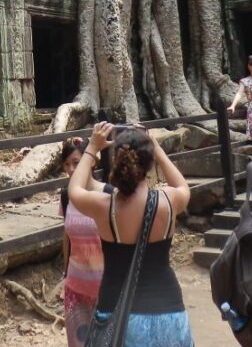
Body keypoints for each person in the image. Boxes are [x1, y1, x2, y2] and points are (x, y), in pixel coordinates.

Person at [68, 122, 194, 347]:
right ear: (150, 162)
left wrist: (92, 149)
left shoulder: (105, 206)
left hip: (116, 313)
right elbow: (183, 186)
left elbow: (75, 189)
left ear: (117, 161)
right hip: (169, 312)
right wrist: (157, 148)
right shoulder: (169, 201)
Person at [59, 137, 112, 347]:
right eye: (67, 164)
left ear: (91, 160)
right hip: (75, 288)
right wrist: (65, 274)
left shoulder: (108, 194)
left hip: (106, 288)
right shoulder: (66, 197)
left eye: (76, 162)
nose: (71, 169)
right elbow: (66, 237)